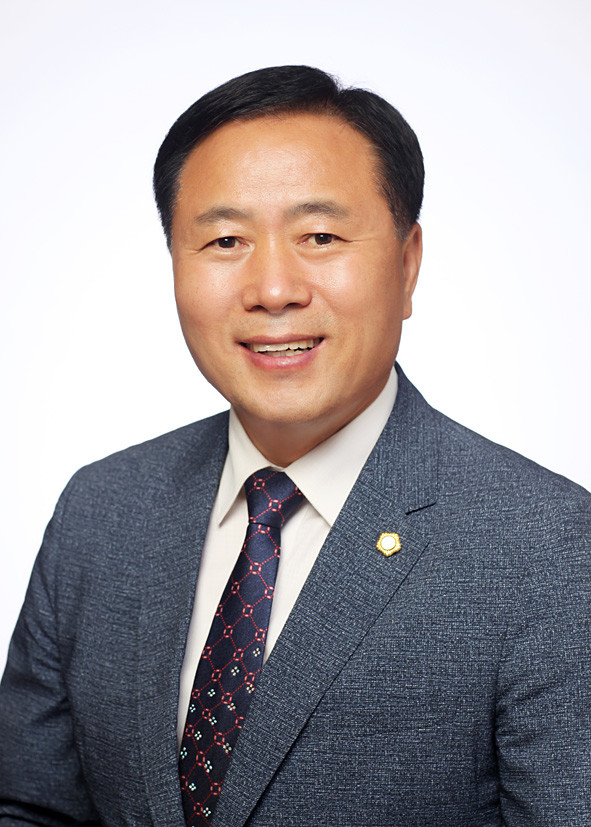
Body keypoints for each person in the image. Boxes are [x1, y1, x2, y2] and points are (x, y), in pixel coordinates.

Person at [0, 65, 589, 827]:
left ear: (406, 263)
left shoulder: (545, 547)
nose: (273, 288)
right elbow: (30, 807)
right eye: (225, 240)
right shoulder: (103, 507)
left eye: (320, 236)